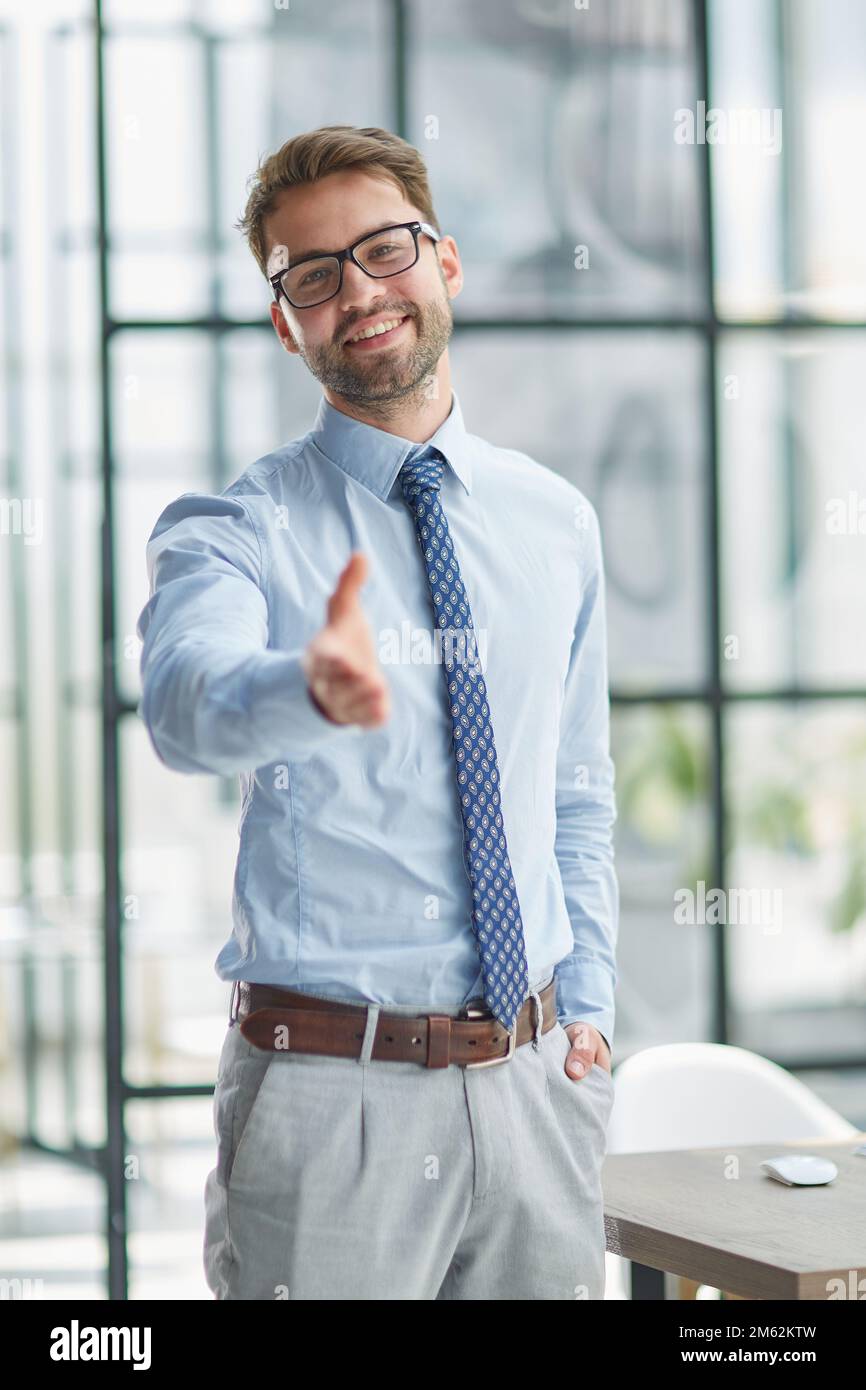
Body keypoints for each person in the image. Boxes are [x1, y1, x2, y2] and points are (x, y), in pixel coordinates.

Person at [136, 124, 619, 1301]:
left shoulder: (554, 520)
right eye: (313, 273)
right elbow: (184, 704)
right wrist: (299, 685)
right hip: (328, 1106)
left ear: (442, 262)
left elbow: (574, 789)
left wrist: (589, 1011)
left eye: (382, 249)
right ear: (285, 319)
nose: (356, 290)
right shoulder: (234, 528)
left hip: (534, 1084)